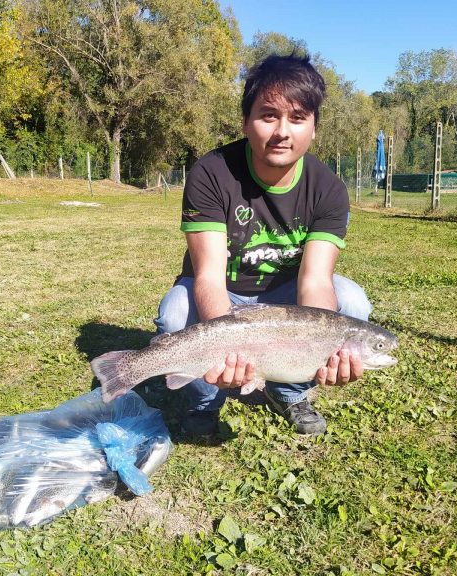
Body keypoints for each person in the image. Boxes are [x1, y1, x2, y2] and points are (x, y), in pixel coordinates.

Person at [153, 53, 372, 437]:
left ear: (314, 127)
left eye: (298, 118)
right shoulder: (211, 172)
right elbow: (207, 278)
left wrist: (324, 349)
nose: (282, 131)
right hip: (225, 293)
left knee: (351, 302)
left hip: (285, 299)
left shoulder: (329, 190)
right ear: (246, 121)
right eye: (269, 115)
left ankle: (289, 392)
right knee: (176, 311)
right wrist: (227, 346)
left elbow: (317, 282)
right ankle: (206, 401)